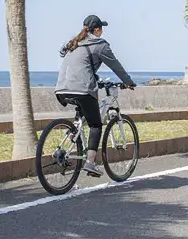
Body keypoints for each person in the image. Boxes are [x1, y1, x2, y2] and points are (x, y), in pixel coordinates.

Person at [54, 15, 137, 177]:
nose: (102, 32)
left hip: (62, 88)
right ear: (97, 30)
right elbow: (116, 66)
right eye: (101, 29)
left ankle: (71, 137)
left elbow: (80, 67)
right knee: (96, 125)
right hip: (82, 89)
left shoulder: (74, 43)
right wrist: (129, 82)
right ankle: (90, 163)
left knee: (82, 118)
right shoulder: (100, 45)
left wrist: (95, 79)